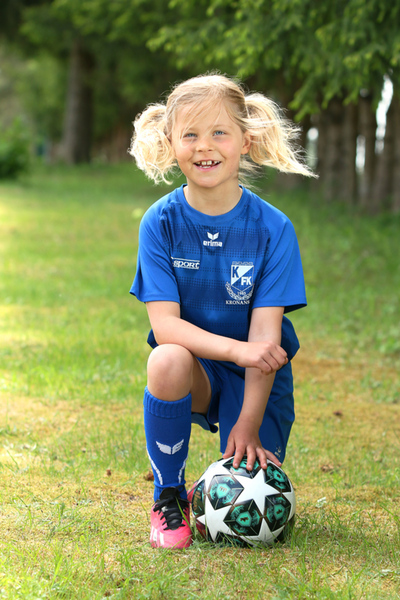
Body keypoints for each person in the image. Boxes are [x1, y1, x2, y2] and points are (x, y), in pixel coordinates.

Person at [129, 73, 314, 549]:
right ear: (171, 143)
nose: (204, 146)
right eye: (189, 134)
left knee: (252, 491)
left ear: (245, 141)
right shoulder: (160, 222)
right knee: (165, 358)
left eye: (219, 132)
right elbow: (165, 326)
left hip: (259, 373)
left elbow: (265, 342)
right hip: (199, 366)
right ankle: (168, 495)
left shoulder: (273, 228)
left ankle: (207, 486)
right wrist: (235, 350)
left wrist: (248, 422)